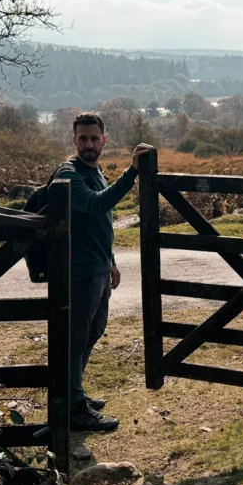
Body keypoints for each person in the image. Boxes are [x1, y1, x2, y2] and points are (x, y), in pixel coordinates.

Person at [55, 112, 153, 431]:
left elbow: (101, 221)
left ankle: (75, 395)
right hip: (79, 271)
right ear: (74, 141)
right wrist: (132, 173)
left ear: (104, 141)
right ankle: (73, 407)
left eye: (94, 139)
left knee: (94, 331)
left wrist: (110, 260)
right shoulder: (70, 173)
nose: (89, 144)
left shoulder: (94, 171)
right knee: (76, 339)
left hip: (98, 269)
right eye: (83, 139)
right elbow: (96, 205)